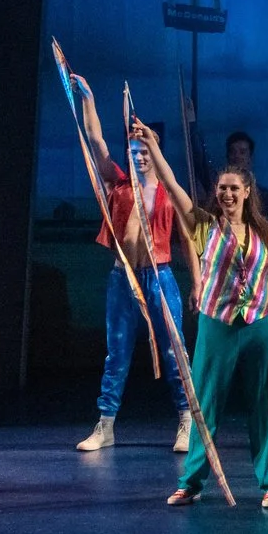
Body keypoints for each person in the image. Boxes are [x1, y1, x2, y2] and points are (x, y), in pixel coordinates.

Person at [133, 122, 268, 509]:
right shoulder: (203, 226)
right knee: (205, 405)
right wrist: (152, 146)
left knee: (267, 404)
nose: (227, 194)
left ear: (247, 192)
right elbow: (172, 185)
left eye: (233, 189)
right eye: (222, 188)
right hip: (218, 323)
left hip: (260, 324)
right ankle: (191, 482)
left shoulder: (266, 233)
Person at [65, 77, 191, 454]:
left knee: (174, 351)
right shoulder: (119, 185)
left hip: (160, 278)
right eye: (134, 150)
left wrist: (199, 283)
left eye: (145, 150)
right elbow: (96, 142)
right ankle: (105, 425)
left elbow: (188, 239)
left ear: (155, 152)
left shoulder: (167, 191)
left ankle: (187, 420)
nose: (139, 156)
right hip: (124, 279)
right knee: (117, 352)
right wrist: (88, 98)